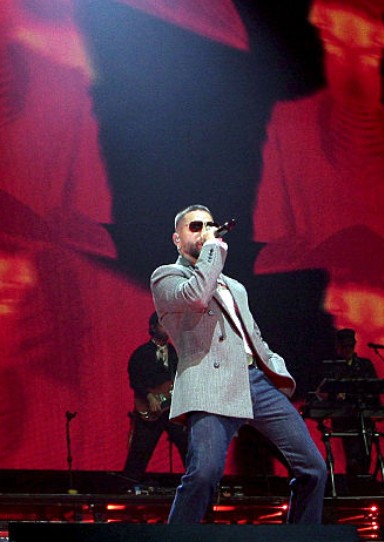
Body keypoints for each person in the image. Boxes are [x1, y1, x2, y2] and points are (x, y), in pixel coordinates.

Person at [151, 204, 326, 524]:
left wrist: (273, 364)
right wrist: (212, 250)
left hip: (256, 381)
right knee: (204, 474)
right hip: (210, 382)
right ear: (177, 239)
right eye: (195, 227)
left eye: (209, 225)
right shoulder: (167, 276)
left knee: (313, 468)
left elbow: (253, 335)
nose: (205, 231)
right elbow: (196, 297)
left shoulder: (235, 286)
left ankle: (302, 535)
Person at [121, 312, 187, 484]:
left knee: (187, 446)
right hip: (150, 411)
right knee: (140, 452)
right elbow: (134, 379)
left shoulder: (174, 353)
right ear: (153, 327)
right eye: (162, 324)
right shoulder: (141, 353)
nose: (167, 328)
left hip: (172, 411)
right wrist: (149, 396)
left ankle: (198, 485)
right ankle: (128, 488)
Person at [322, 328, 381, 480]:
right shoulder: (333, 366)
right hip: (345, 418)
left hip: (364, 415)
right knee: (353, 454)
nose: (348, 349)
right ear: (338, 346)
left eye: (351, 346)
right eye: (345, 346)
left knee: (366, 453)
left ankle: (364, 480)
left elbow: (374, 387)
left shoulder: (364, 365)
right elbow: (325, 391)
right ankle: (354, 481)